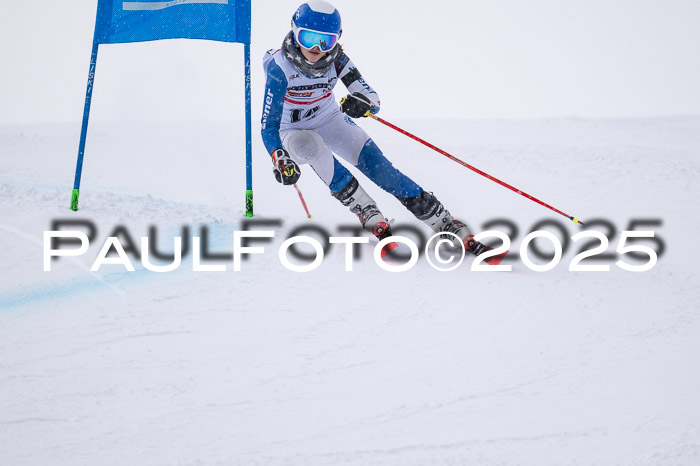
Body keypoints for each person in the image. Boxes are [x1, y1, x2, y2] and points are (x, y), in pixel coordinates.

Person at [261, 0, 502, 262]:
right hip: (292, 130)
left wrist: (361, 103)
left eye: (326, 41)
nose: (316, 49)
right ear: (295, 33)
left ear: (337, 40)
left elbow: (371, 98)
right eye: (308, 38)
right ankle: (366, 210)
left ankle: (445, 223)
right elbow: (268, 124)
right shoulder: (280, 67)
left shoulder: (338, 60)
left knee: (382, 170)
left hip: (328, 118)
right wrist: (279, 156)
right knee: (310, 145)